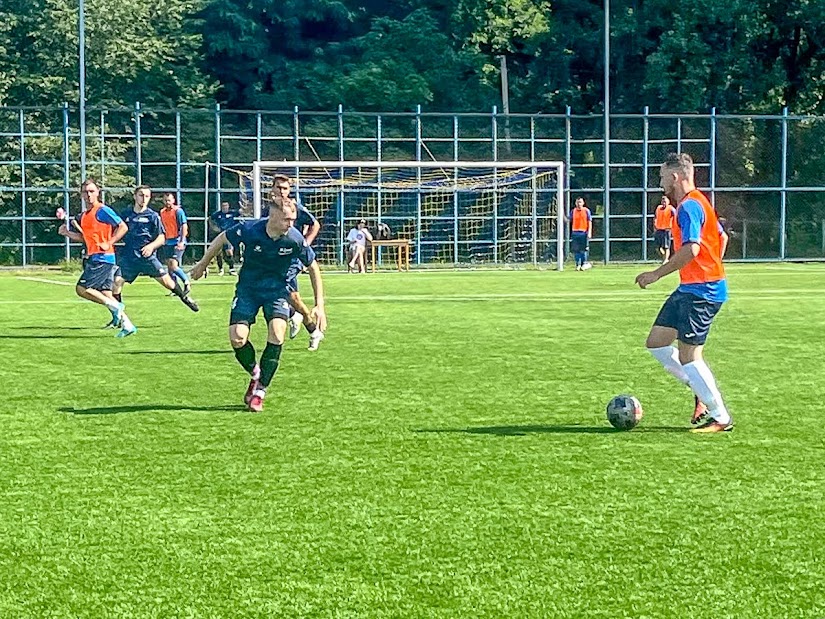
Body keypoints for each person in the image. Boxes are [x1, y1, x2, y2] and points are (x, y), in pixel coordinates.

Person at [189, 195, 327, 413]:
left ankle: (260, 392)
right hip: (248, 290)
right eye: (287, 220)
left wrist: (320, 305)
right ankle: (256, 373)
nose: (291, 224)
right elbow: (222, 238)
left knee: (277, 333)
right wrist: (202, 264)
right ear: (272, 217)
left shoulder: (295, 239)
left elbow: (312, 266)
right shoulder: (250, 229)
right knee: (237, 337)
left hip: (277, 292)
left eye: (293, 220)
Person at [635, 153, 731, 433]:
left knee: (690, 357)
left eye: (663, 176)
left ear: (675, 176)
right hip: (690, 288)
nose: (661, 182)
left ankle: (720, 417)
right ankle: (699, 388)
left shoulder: (689, 207)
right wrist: (712, 264)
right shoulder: (699, 201)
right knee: (657, 343)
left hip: (702, 292)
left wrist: (656, 274)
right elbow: (721, 237)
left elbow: (692, 249)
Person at [57, 179, 137, 337]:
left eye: (92, 191)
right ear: (81, 195)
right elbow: (86, 238)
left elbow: (123, 226)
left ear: (98, 193)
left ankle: (116, 308)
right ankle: (128, 325)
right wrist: (67, 233)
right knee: (106, 293)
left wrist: (110, 242)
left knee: (82, 289)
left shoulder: (102, 210)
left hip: (102, 258)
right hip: (97, 256)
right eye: (85, 192)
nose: (88, 195)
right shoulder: (86, 216)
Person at [112, 185, 200, 315]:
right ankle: (118, 317)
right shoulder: (126, 214)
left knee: (168, 282)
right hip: (129, 256)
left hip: (147, 257)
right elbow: (117, 229)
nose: (144, 198)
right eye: (141, 195)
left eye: (147, 196)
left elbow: (161, 237)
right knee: (117, 282)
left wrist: (151, 246)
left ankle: (185, 297)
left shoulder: (152, 216)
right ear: (135, 196)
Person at [270, 175, 322, 341]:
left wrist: (304, 244)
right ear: (272, 188)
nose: (281, 191)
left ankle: (305, 323)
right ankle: (305, 324)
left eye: (285, 188)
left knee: (276, 291)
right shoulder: (270, 208)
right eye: (278, 187)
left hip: (292, 259)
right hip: (276, 258)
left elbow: (315, 224)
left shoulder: (295, 207)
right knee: (292, 297)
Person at [158, 192, 191, 294]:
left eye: (169, 200)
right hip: (168, 241)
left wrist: (181, 241)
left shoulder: (178, 211)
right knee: (169, 266)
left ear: (173, 200)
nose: (167, 202)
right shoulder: (162, 212)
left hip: (177, 240)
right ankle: (175, 288)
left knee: (173, 265)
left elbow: (184, 226)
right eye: (165, 200)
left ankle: (186, 282)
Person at [209, 201, 239, 275]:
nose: (225, 207)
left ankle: (231, 269)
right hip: (220, 235)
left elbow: (242, 213)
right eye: (223, 206)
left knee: (229, 251)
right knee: (218, 252)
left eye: (226, 206)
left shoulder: (232, 213)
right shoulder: (218, 214)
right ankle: (221, 269)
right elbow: (210, 219)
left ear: (228, 206)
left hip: (229, 235)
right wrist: (214, 228)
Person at [569, 197, 592, 271]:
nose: (579, 204)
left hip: (583, 232)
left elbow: (589, 222)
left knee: (583, 250)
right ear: (575, 203)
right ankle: (577, 264)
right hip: (575, 232)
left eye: (580, 202)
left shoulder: (586, 211)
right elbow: (569, 220)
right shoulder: (573, 211)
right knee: (576, 250)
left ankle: (583, 263)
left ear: (583, 203)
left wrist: (589, 232)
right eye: (577, 202)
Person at [653, 195, 677, 263]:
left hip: (666, 230)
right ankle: (664, 257)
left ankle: (665, 260)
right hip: (658, 229)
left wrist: (674, 226)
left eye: (665, 201)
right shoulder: (658, 208)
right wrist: (654, 226)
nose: (664, 203)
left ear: (668, 202)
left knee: (666, 246)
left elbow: (676, 216)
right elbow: (655, 217)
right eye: (663, 201)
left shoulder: (671, 208)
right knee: (657, 247)